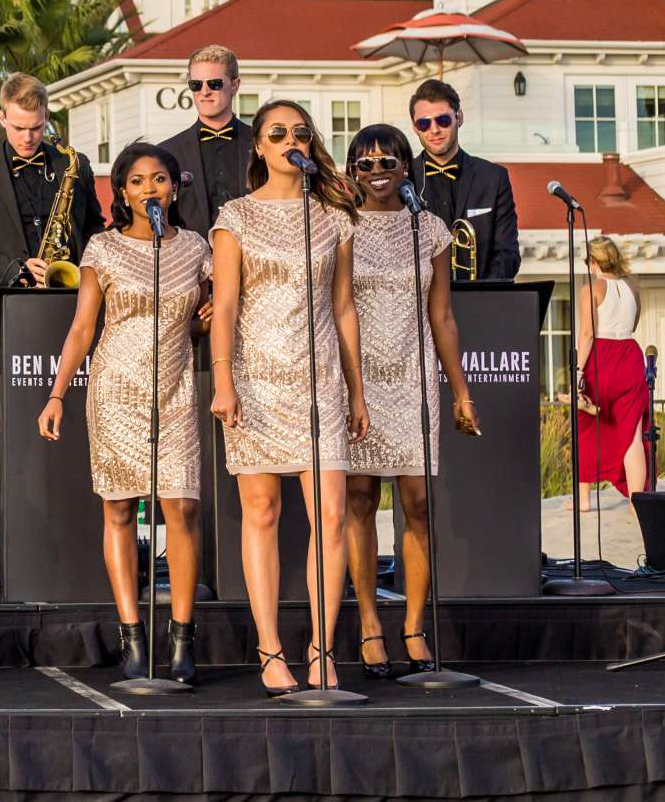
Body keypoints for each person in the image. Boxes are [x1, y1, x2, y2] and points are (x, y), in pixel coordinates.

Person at [208, 99, 368, 696]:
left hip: (321, 379)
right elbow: (224, 306)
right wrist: (223, 380)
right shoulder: (235, 217)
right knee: (264, 513)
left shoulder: (331, 217)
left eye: (299, 133)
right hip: (255, 379)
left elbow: (344, 308)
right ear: (257, 146)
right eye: (276, 133)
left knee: (330, 514)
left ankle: (322, 648)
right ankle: (270, 649)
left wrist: (357, 391)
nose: (288, 140)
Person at [36, 143, 210, 685]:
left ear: (173, 188)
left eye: (158, 179)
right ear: (123, 193)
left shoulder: (197, 248)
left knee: (180, 509)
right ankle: (132, 635)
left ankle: (182, 639)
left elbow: (207, 318)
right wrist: (58, 393)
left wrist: (208, 312)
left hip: (176, 389)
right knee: (119, 511)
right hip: (115, 389)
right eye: (137, 181)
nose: (149, 189)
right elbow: (84, 328)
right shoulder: (102, 249)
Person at [338, 124, 480, 678]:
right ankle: (371, 622)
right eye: (366, 164)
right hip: (358, 376)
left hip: (413, 374)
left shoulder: (431, 228)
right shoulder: (338, 225)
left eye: (388, 163)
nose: (377, 173)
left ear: (406, 167)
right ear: (352, 170)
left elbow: (442, 315)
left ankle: (415, 625)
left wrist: (461, 391)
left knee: (418, 504)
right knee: (359, 501)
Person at [0, 71, 104, 565]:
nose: (28, 137)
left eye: (36, 127)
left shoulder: (71, 168)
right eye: (19, 128)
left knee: (83, 430)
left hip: (71, 315)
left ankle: (78, 542)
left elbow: (96, 230)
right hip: (6, 318)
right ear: (1, 118)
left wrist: (80, 264)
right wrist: (17, 269)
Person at [407, 79, 520, 282]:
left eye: (442, 120)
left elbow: (507, 253)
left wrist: (479, 297)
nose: (434, 130)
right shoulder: (406, 182)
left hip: (481, 305)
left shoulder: (494, 178)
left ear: (459, 117)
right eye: (424, 123)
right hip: (422, 309)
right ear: (415, 129)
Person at [575, 237, 650, 513]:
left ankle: (583, 499)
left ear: (593, 262)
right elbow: (635, 321)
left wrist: (578, 371)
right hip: (630, 355)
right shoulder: (632, 287)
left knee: (585, 423)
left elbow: (587, 332)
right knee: (632, 432)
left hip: (602, 356)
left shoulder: (591, 288)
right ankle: (637, 501)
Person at [157, 45, 254, 233]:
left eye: (215, 84)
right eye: (196, 84)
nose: (205, 91)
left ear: (235, 85)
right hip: (191, 259)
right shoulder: (167, 152)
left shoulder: (262, 145)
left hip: (252, 258)